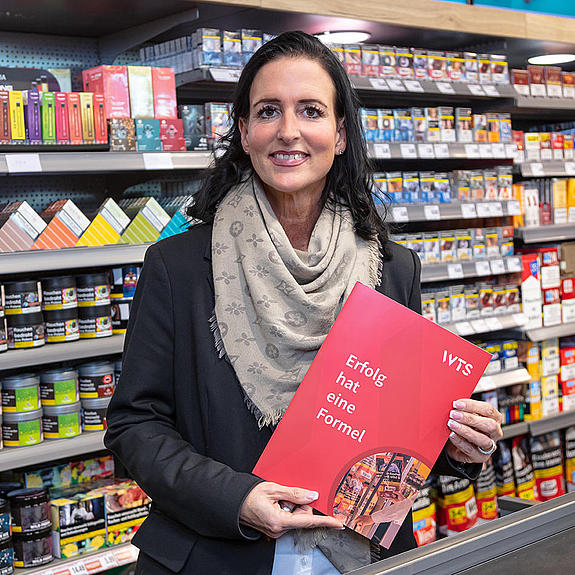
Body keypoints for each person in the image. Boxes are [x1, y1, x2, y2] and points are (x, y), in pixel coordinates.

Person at [104, 31, 503, 575]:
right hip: (218, 555)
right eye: (268, 111)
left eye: (310, 111)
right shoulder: (177, 268)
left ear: (339, 134)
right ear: (244, 132)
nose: (288, 131)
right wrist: (235, 499)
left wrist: (457, 445)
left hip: (360, 558)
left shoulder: (393, 270)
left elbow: (399, 437)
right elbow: (135, 425)